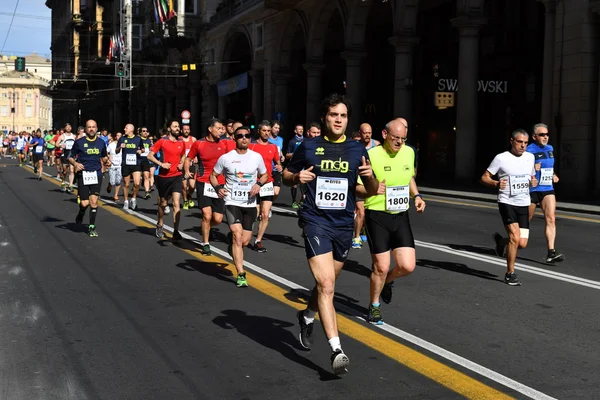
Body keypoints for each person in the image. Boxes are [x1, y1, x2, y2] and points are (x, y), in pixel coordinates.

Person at [283, 93, 378, 375]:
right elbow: (286, 174)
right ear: (324, 118)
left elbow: (370, 190)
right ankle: (337, 350)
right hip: (315, 221)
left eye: (343, 115)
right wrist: (295, 178)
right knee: (326, 284)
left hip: (343, 225)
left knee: (326, 285)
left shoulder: (356, 149)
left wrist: (371, 175)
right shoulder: (308, 146)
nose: (338, 120)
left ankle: (307, 315)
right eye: (334, 115)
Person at [357, 118, 425, 325]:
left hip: (400, 214)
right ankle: (374, 306)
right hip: (377, 215)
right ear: (385, 135)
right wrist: (371, 189)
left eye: (403, 139)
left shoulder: (409, 152)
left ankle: (388, 282)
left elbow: (409, 178)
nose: (400, 143)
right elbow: (357, 188)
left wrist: (417, 196)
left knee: (407, 266)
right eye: (396, 139)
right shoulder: (370, 155)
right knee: (381, 266)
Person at [210, 126, 268, 288]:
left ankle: (233, 246)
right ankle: (241, 273)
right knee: (237, 235)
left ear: (250, 138)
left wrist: (258, 183)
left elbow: (265, 174)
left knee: (244, 241)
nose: (244, 138)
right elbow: (213, 176)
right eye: (240, 136)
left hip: (249, 204)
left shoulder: (256, 157)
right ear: (234, 139)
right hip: (232, 202)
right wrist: (218, 188)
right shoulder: (226, 158)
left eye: (247, 136)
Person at [480, 129, 538, 286]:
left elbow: (532, 178)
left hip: (523, 202)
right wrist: (496, 183)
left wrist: (534, 182)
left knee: (522, 243)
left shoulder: (530, 157)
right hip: (506, 202)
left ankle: (500, 242)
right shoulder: (501, 158)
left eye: (525, 143)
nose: (523, 146)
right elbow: (485, 177)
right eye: (520, 142)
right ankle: (510, 273)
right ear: (512, 141)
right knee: (514, 237)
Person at [184, 119, 228, 255]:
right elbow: (188, 158)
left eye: (222, 129)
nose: (221, 131)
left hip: (220, 184)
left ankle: (206, 227)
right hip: (203, 182)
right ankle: (206, 243)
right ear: (210, 129)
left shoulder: (224, 144)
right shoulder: (199, 143)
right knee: (207, 215)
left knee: (218, 219)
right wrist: (187, 171)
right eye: (218, 128)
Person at [527, 123, 564, 264]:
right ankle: (505, 243)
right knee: (525, 222)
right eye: (542, 134)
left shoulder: (550, 148)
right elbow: (520, 168)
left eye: (547, 134)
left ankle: (551, 252)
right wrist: (531, 168)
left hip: (547, 188)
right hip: (531, 189)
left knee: (551, 218)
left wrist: (554, 175)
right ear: (534, 136)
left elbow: (549, 166)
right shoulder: (528, 150)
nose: (546, 137)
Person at [69, 120, 110, 237]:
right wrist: (75, 164)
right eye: (89, 127)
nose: (91, 129)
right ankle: (81, 212)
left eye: (93, 127)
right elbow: (70, 157)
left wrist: (107, 161)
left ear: (97, 128)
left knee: (94, 201)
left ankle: (92, 226)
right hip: (83, 174)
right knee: (84, 203)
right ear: (86, 129)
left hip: (96, 173)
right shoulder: (79, 142)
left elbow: (104, 157)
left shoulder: (101, 142)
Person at [148, 120, 186, 241]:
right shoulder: (162, 141)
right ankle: (160, 223)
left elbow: (184, 155)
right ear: (169, 129)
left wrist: (182, 162)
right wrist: (161, 164)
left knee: (176, 203)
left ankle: (176, 231)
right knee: (163, 204)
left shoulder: (181, 142)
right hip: (164, 177)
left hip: (177, 176)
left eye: (178, 127)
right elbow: (150, 155)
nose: (177, 128)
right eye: (175, 127)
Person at [249, 121, 282, 252]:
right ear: (259, 131)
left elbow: (278, 164)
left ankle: (258, 241)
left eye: (268, 131)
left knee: (265, 214)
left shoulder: (273, 147)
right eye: (264, 131)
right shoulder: (252, 146)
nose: (267, 133)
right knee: (254, 213)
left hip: (267, 183)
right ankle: (244, 235)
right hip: (252, 183)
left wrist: (279, 167)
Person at [117, 123, 143, 210]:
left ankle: (133, 198)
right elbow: (116, 151)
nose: (124, 129)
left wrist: (140, 151)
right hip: (126, 163)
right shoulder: (122, 138)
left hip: (136, 163)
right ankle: (125, 201)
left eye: (126, 128)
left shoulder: (138, 139)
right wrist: (120, 147)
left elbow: (142, 149)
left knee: (137, 183)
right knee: (126, 184)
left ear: (131, 130)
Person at [285, 124, 305, 209]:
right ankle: (293, 201)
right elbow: (287, 155)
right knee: (294, 184)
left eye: (302, 129)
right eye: (299, 129)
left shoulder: (305, 141)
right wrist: (295, 154)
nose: (301, 131)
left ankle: (302, 201)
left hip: (303, 165)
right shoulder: (292, 141)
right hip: (295, 165)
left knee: (303, 183)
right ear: (295, 131)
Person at [180, 124, 197, 210]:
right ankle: (185, 201)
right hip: (182, 165)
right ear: (181, 130)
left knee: (192, 185)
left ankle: (189, 196)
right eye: (185, 129)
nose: (186, 131)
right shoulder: (179, 139)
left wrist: (196, 157)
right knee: (183, 185)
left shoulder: (193, 139)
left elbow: (197, 150)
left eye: (188, 129)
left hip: (191, 164)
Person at [268, 120, 285, 201]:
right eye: (275, 127)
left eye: (278, 128)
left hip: (277, 168)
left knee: (276, 192)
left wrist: (282, 156)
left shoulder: (280, 139)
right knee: (266, 192)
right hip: (268, 168)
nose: (277, 130)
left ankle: (269, 204)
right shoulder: (266, 139)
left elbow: (279, 150)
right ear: (271, 128)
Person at [106, 132, 123, 202]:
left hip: (120, 165)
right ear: (115, 137)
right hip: (112, 164)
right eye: (117, 135)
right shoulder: (111, 145)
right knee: (112, 181)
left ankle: (116, 195)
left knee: (118, 181)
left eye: (120, 135)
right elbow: (106, 152)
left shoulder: (123, 145)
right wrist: (109, 157)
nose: (119, 137)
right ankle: (110, 185)